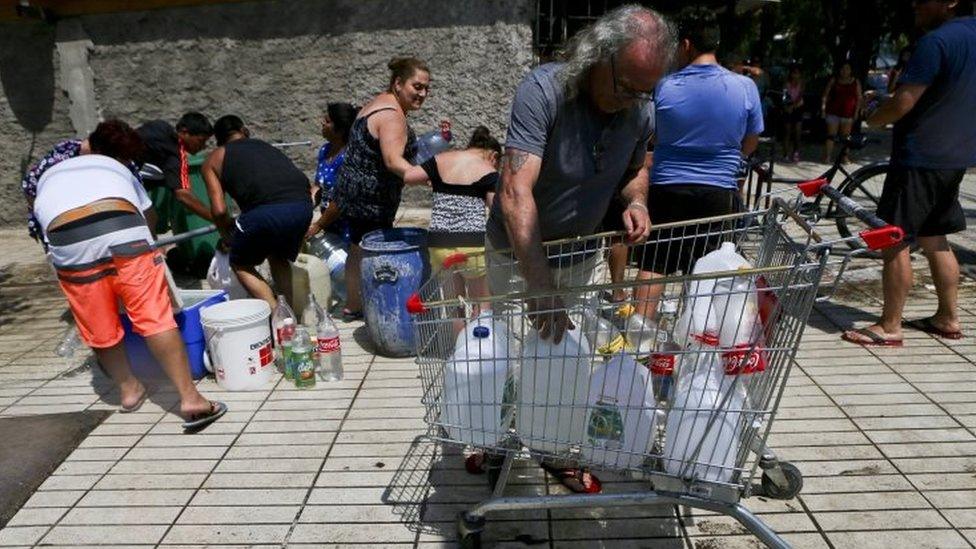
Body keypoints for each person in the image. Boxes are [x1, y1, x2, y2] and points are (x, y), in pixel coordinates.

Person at [486, 5, 672, 493]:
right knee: (507, 356)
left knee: (570, 360)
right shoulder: (543, 91)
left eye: (644, 90)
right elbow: (513, 191)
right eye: (626, 85)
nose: (633, 98)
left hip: (583, 254)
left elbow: (636, 168)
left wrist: (636, 202)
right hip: (517, 256)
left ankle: (554, 447)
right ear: (598, 56)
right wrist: (539, 282)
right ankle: (497, 440)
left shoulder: (639, 108)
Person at [33, 120, 226, 431]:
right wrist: (147, 250)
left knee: (98, 324)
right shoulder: (120, 168)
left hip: (65, 237)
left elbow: (40, 215)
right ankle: (190, 398)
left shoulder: (50, 170)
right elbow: (148, 214)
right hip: (121, 226)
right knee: (154, 318)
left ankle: (128, 390)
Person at [842, 0, 975, 347]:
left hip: (920, 156)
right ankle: (948, 317)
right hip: (955, 156)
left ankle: (889, 326)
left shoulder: (936, 42)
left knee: (894, 238)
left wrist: (872, 115)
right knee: (935, 236)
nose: (914, 3)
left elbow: (903, 103)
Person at [632, 6, 763, 320]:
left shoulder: (663, 87)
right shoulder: (745, 87)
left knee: (653, 266)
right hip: (719, 193)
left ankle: (637, 341)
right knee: (711, 271)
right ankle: (701, 341)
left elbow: (650, 136)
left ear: (686, 45)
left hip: (667, 189)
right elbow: (750, 140)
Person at [330, 57, 431, 321]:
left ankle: (353, 305)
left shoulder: (377, 103)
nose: (422, 93)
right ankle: (378, 307)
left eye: (426, 88)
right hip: (372, 199)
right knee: (373, 254)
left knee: (357, 247)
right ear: (398, 83)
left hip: (353, 193)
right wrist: (426, 176)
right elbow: (392, 160)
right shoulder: (393, 116)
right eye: (416, 86)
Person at [201, 115, 314, 310]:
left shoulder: (214, 158)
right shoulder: (265, 146)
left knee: (240, 262)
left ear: (218, 140)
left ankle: (279, 318)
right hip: (302, 207)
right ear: (244, 131)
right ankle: (293, 317)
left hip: (264, 213)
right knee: (278, 257)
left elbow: (219, 211)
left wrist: (227, 237)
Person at [403, 126, 501, 315]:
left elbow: (409, 176)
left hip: (439, 243)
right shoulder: (488, 170)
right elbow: (496, 211)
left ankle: (456, 343)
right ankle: (476, 343)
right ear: (493, 156)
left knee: (453, 305)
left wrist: (435, 179)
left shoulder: (441, 159)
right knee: (481, 304)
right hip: (471, 245)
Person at [137, 112, 216, 222]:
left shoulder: (159, 125)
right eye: (201, 141)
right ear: (184, 132)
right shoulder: (177, 156)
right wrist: (218, 220)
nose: (203, 146)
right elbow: (183, 195)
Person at [306, 102, 358, 242]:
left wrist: (318, 225)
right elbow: (318, 186)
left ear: (340, 130)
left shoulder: (349, 156)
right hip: (330, 227)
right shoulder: (325, 150)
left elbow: (341, 199)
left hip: (347, 229)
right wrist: (305, 209)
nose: (322, 123)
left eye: (328, 121)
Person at [821, 62, 862, 163]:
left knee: (846, 137)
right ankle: (827, 156)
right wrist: (823, 109)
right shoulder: (834, 80)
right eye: (842, 68)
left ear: (851, 70)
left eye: (847, 69)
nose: (844, 71)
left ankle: (844, 156)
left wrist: (857, 112)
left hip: (848, 112)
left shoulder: (855, 82)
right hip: (833, 111)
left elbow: (859, 98)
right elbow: (825, 95)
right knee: (831, 135)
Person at [781, 64, 805, 163]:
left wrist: (794, 105)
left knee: (797, 132)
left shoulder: (802, 83)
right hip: (788, 107)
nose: (795, 75)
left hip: (798, 107)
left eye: (797, 73)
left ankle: (796, 152)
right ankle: (785, 154)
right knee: (787, 131)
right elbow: (784, 96)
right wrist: (787, 106)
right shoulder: (786, 83)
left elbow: (800, 95)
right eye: (793, 73)